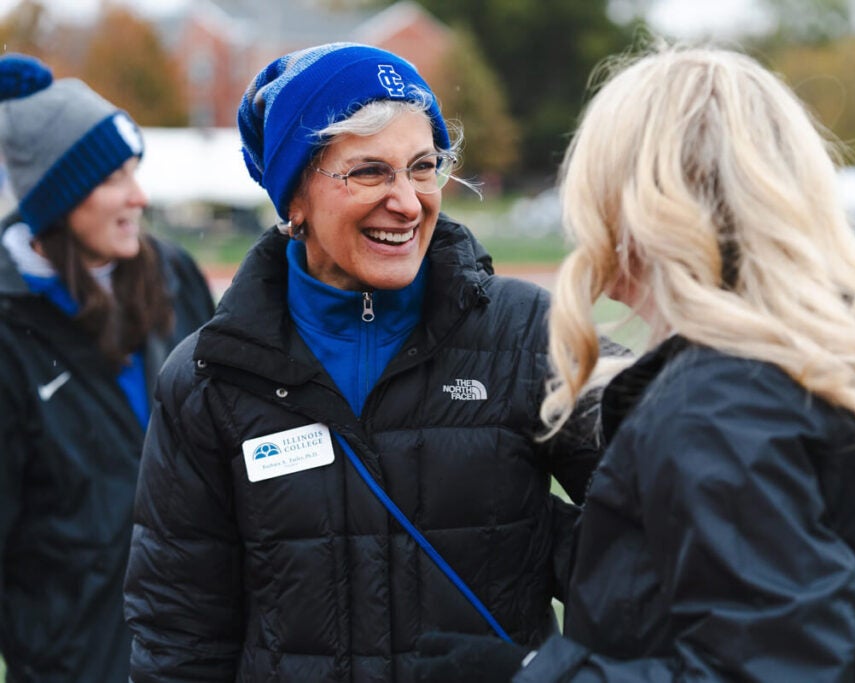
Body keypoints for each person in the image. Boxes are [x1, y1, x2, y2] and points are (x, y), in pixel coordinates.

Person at [411, 44, 855, 682]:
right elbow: (742, 596)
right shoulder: (845, 370)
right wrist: (532, 529)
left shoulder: (724, 403)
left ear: (642, 208)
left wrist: (526, 675)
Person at [123, 42, 617, 682]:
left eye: (422, 167)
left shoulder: (526, 333)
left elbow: (668, 510)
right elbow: (178, 633)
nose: (409, 203)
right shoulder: (210, 377)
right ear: (294, 197)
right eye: (369, 172)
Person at [0, 54, 215, 682]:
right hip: (79, 662)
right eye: (114, 177)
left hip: (198, 647)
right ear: (59, 200)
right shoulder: (10, 332)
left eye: (136, 170)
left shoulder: (172, 273)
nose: (139, 196)